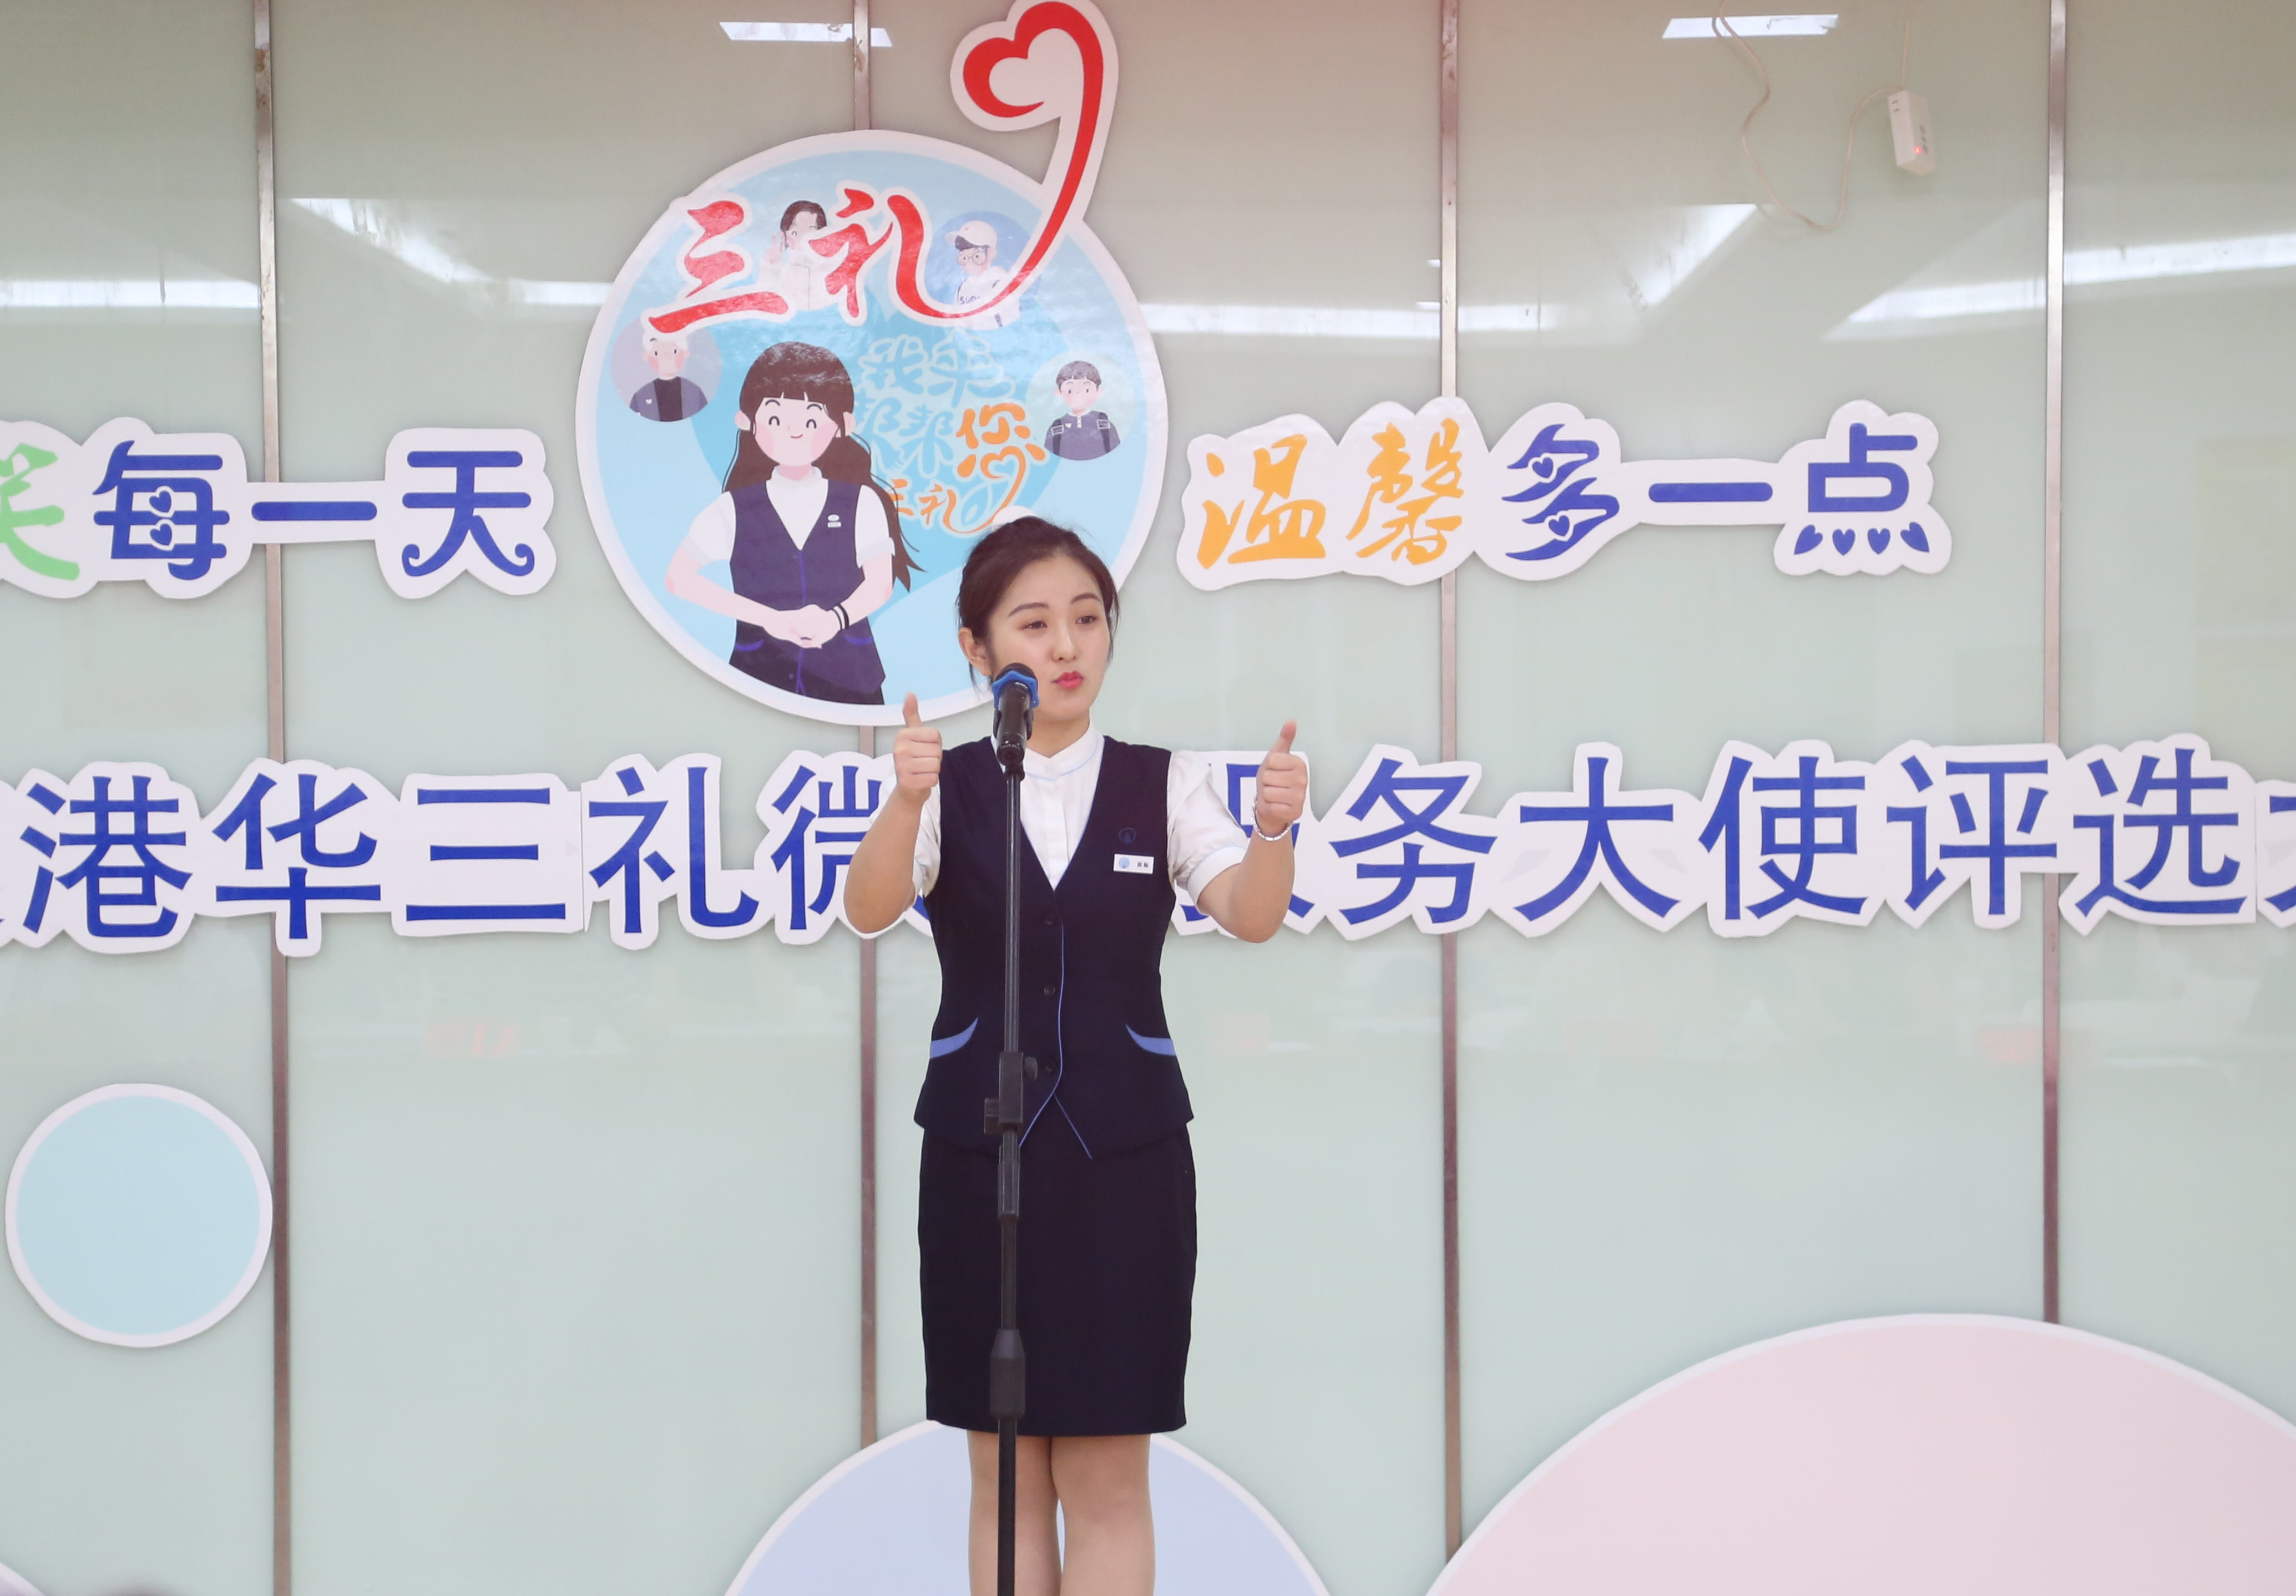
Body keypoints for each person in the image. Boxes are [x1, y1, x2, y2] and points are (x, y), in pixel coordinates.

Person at [845, 519, 1307, 1596]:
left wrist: (1274, 830)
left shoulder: (1162, 782)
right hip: (980, 1155)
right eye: (1034, 623)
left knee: (1104, 1473)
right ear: (976, 647)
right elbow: (868, 907)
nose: (1065, 646)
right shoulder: (948, 785)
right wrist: (905, 798)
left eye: (1087, 619)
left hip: (1122, 1160)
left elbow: (1248, 912)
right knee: (1002, 1475)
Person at [665, 341, 918, 706]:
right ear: (747, 421)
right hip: (759, 680)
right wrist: (769, 619)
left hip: (851, 681)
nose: (794, 432)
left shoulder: (860, 502)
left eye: (812, 421)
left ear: (843, 425)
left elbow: (879, 583)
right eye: (775, 419)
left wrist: (835, 620)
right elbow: (679, 578)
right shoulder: (732, 509)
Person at [763, 199, 836, 312]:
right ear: (784, 236)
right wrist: (770, 266)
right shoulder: (780, 270)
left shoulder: (827, 271)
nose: (803, 240)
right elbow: (765, 301)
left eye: (811, 234)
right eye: (795, 233)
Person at [1045, 361, 1120, 461]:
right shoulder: (1057, 428)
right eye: (1070, 391)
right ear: (1059, 392)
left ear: (1099, 391)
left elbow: (1118, 455)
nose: (1078, 394)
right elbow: (1048, 459)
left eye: (1087, 390)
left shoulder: (1104, 425)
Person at [950, 219, 1019, 328]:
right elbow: (957, 321)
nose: (969, 262)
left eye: (976, 256)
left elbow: (1012, 321)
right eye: (963, 257)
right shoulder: (963, 288)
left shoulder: (1000, 282)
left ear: (991, 254)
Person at [628, 327, 707, 422]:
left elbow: (705, 419)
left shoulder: (694, 392)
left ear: (684, 353)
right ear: (648, 357)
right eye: (657, 353)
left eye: (674, 352)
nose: (667, 357)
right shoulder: (642, 396)